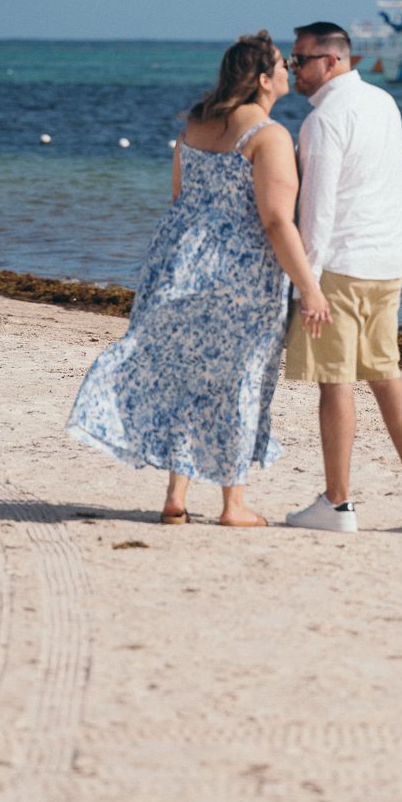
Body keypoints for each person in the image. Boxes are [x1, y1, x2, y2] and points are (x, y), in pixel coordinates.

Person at [67, 31, 330, 527]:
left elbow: (179, 194)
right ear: (262, 79)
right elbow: (277, 221)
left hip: (178, 260)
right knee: (239, 380)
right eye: (281, 64)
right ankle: (233, 504)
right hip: (241, 273)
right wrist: (310, 289)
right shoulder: (269, 136)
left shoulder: (195, 123)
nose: (288, 71)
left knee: (187, 374)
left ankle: (176, 496)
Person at [283, 22, 402, 534]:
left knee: (336, 382)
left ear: (332, 61)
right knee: (385, 373)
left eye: (300, 60)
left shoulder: (323, 120)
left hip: (341, 264)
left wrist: (306, 282)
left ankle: (338, 503)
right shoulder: (383, 102)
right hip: (387, 261)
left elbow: (318, 209)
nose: (292, 69)